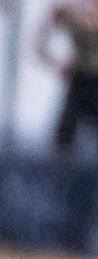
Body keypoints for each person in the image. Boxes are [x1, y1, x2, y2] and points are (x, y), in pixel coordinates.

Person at [39, 0, 98, 154]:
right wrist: (55, 63)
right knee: (64, 141)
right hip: (80, 81)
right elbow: (41, 40)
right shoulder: (72, 12)